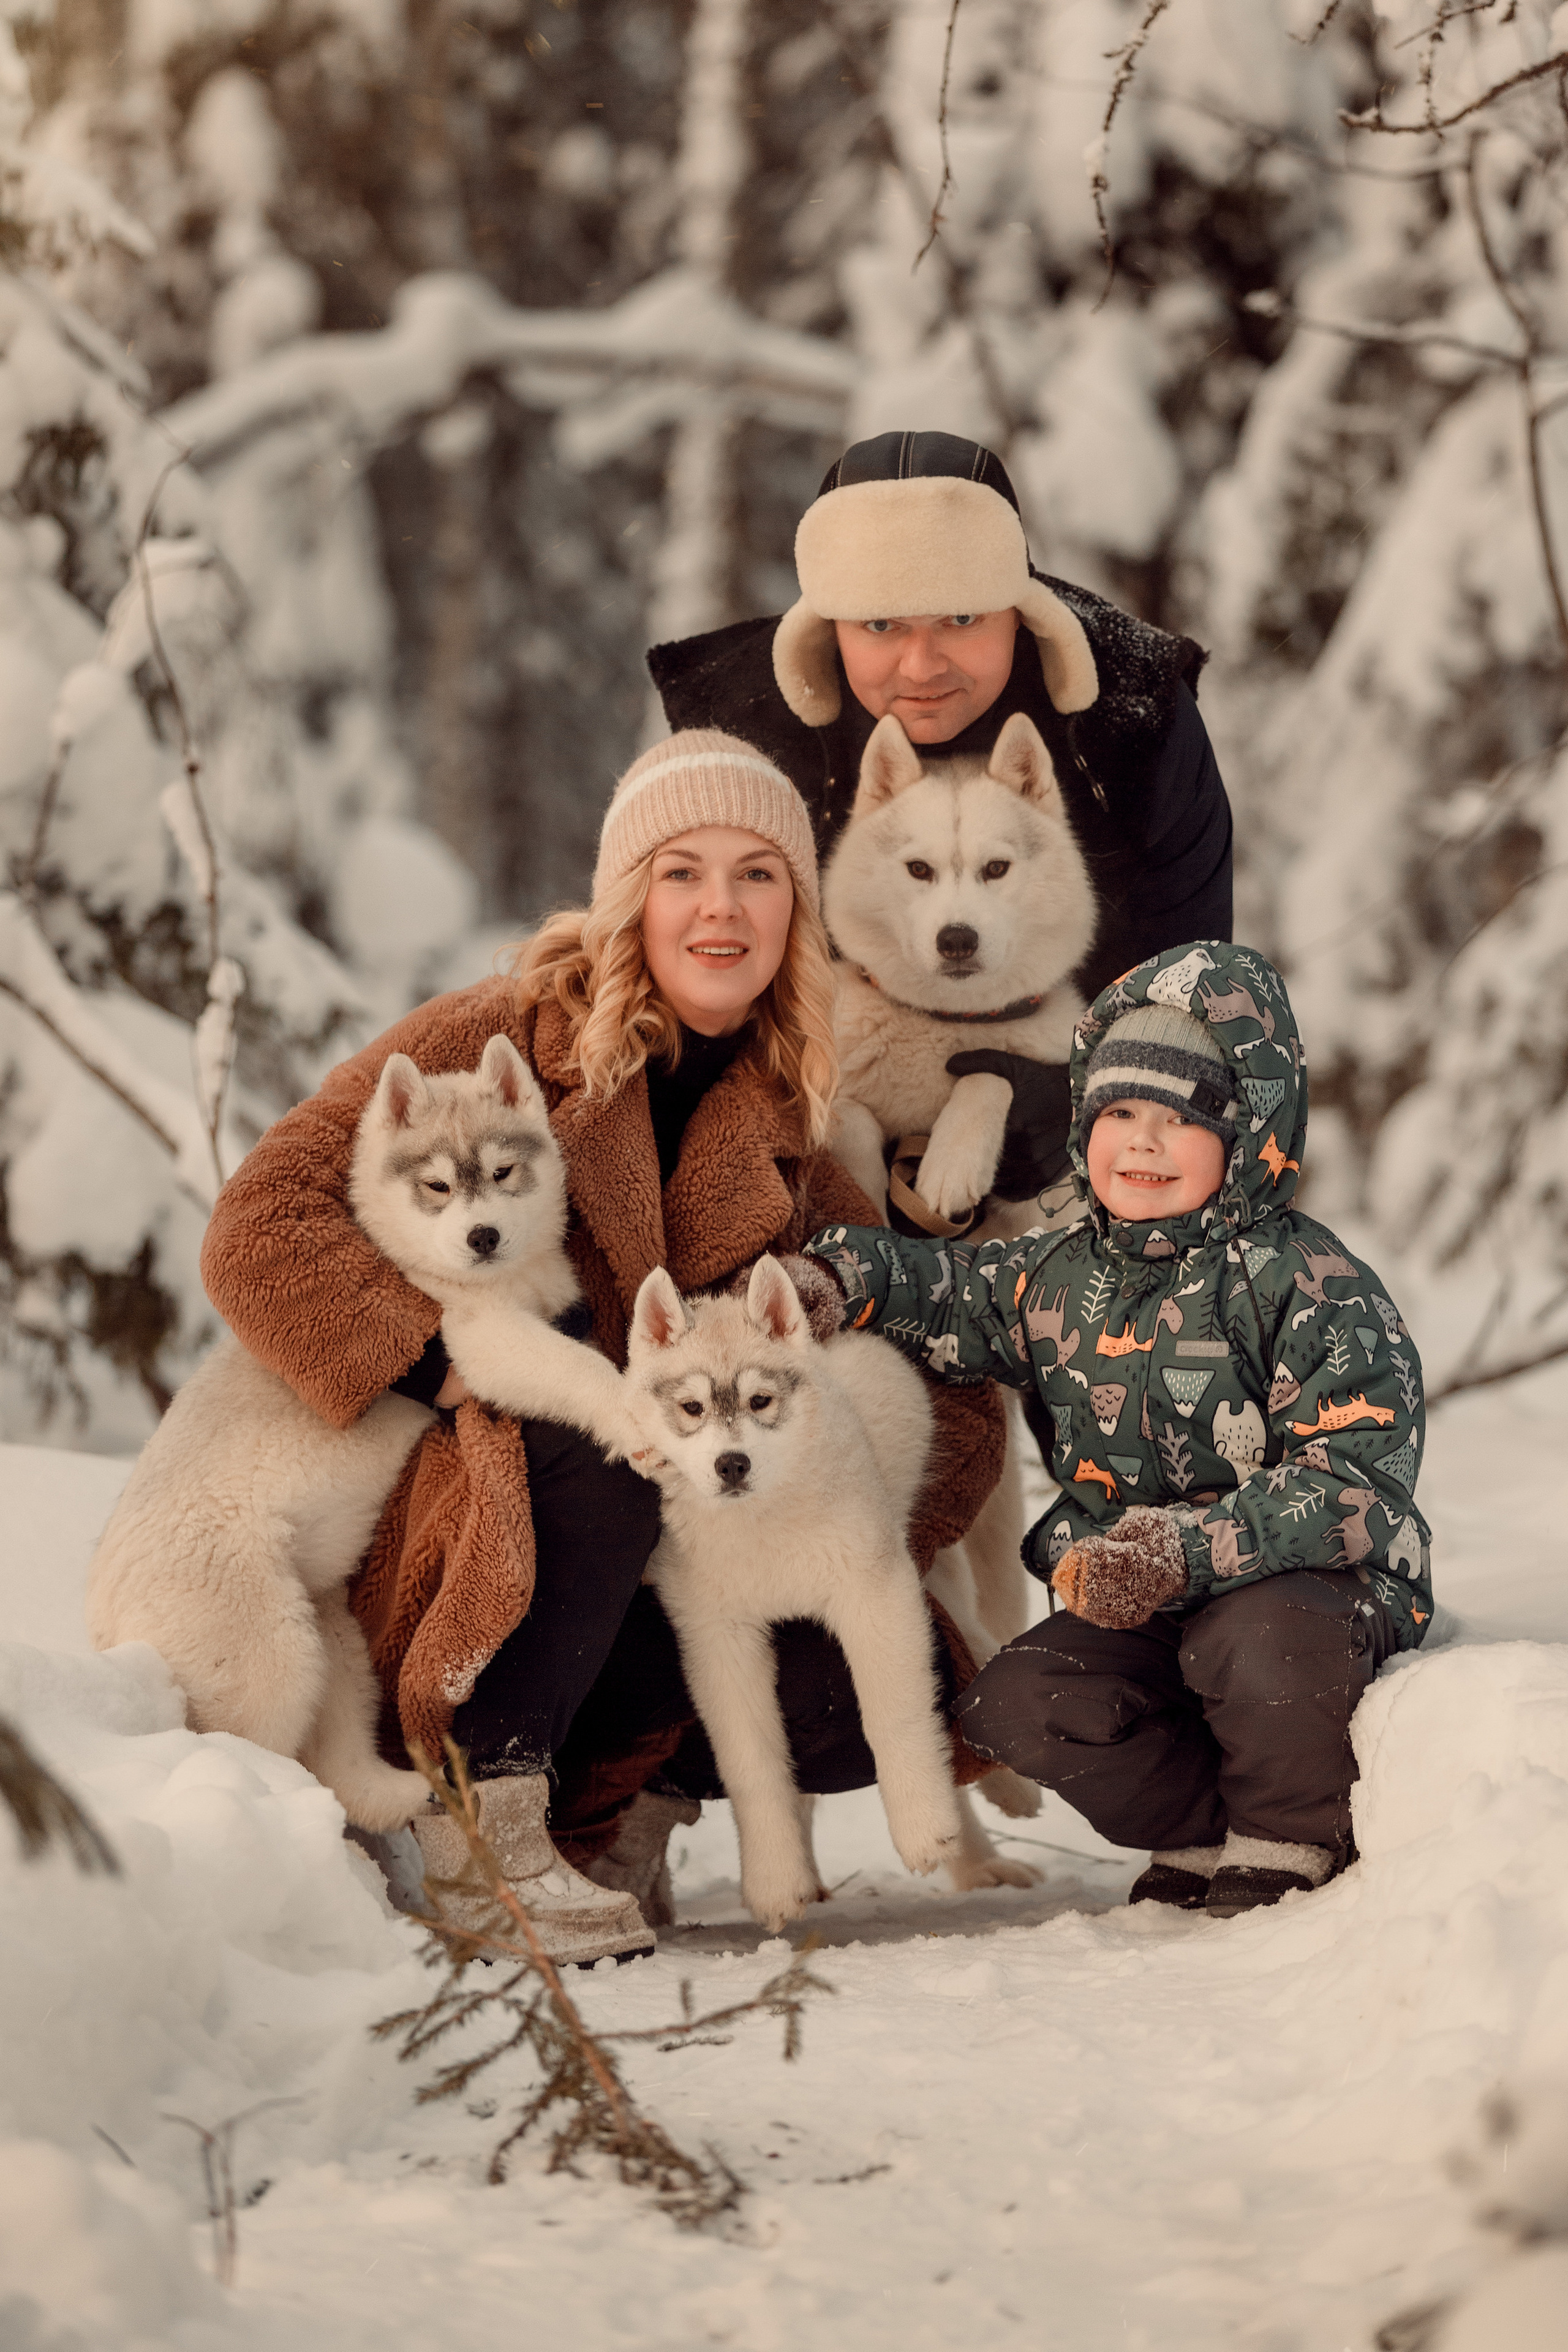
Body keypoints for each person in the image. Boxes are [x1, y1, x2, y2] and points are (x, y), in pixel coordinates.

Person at [200, 729, 1003, 1962]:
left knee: (841, 1685)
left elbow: (935, 1348)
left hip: (656, 1537)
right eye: (683, 873)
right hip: (467, 1515)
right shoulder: (505, 1036)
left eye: (757, 875)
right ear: (631, 894)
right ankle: (486, 1834)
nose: (720, 907)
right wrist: (438, 1364)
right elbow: (257, 1228)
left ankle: (610, 1806)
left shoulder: (781, 1111)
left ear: (795, 908)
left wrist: (835, 1382)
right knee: (611, 1443)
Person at [803, 939, 1433, 1920]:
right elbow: (949, 1290)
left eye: (1180, 1119)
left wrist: (1185, 1550)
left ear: (1247, 1135)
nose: (1143, 1143)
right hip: (1143, 1596)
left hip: (1312, 1595)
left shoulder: (1308, 1282)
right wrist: (841, 1278)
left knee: (1256, 1639)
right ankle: (1202, 1829)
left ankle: (1290, 1832)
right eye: (1120, 1113)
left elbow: (1354, 1479)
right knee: (1020, 1703)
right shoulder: (1060, 1272)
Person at [649, 429, 1235, 1220]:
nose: (922, 666)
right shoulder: (746, 731)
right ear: (828, 628)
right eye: (880, 625)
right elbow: (682, 982)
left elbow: (1193, 993)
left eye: (961, 617)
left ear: (1020, 611)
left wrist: (1075, 1099)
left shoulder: (1136, 721)